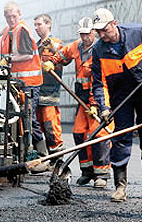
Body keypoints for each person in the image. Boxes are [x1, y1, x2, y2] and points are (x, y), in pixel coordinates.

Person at [91, 8, 142, 201]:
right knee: (120, 138)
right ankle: (120, 186)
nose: (102, 35)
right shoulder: (99, 49)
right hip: (120, 97)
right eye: (98, 31)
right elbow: (99, 83)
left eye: (104, 30)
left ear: (114, 23)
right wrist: (104, 108)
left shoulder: (138, 33)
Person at [43, 17, 114, 188]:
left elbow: (100, 81)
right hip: (81, 99)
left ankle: (101, 174)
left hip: (98, 99)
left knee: (98, 135)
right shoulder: (76, 46)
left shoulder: (101, 50)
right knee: (79, 133)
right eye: (82, 34)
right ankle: (87, 171)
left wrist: (96, 105)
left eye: (87, 34)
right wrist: (51, 62)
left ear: (94, 33)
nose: (84, 38)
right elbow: (61, 55)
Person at [0, 1, 48, 167]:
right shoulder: (10, 28)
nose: (11, 19)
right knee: (17, 117)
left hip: (29, 83)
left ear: (19, 15)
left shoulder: (22, 30)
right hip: (17, 83)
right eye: (8, 16)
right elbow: (6, 29)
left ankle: (41, 155)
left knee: (29, 118)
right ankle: (22, 152)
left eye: (14, 16)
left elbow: (28, 55)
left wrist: (7, 59)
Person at [33, 14, 64, 170]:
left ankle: (57, 160)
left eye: (39, 24)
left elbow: (64, 55)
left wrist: (51, 45)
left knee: (51, 126)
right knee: (37, 125)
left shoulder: (56, 43)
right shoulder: (36, 45)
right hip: (37, 92)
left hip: (50, 93)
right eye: (35, 25)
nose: (37, 28)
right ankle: (43, 158)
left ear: (49, 24)